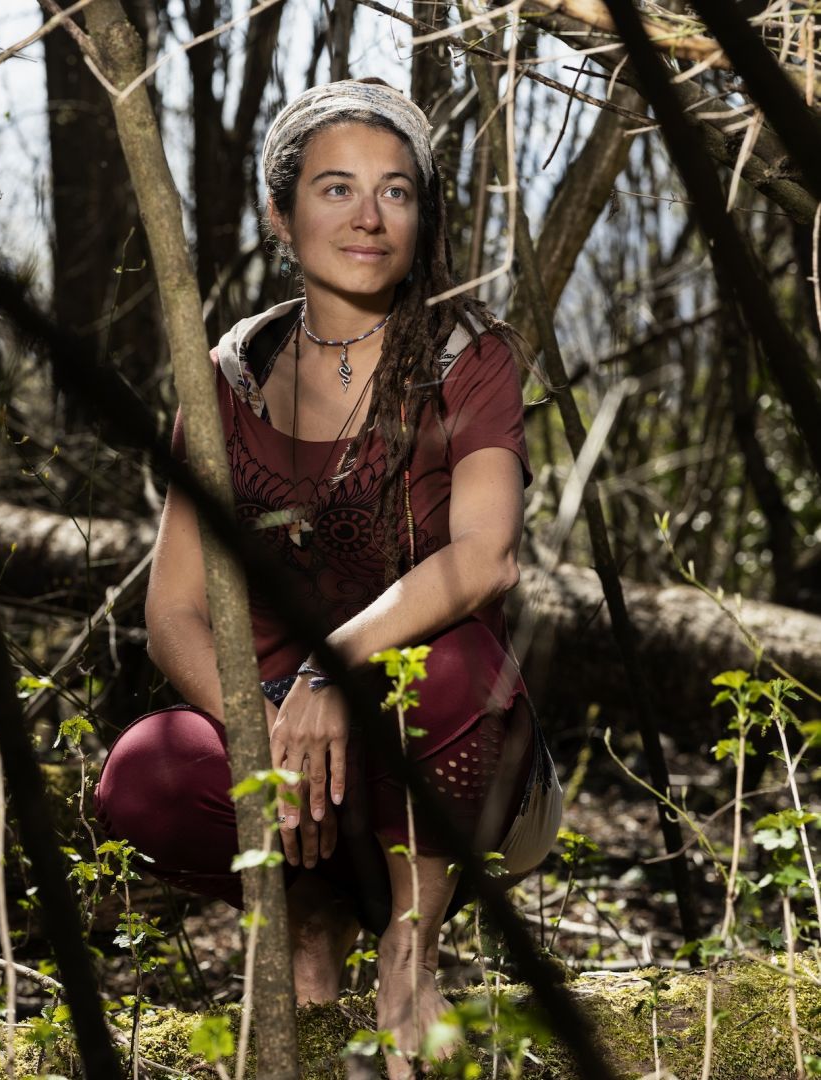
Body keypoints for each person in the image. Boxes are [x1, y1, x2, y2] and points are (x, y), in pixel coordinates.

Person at [94, 79, 562, 1077]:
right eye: (336, 187)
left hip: (453, 760)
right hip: (281, 755)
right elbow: (172, 610)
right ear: (281, 212)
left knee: (449, 668)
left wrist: (329, 672)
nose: (368, 216)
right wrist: (265, 725)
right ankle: (310, 933)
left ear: (423, 217)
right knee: (144, 769)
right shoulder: (225, 378)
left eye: (396, 191)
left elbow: (486, 557)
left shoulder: (467, 355)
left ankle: (408, 948)